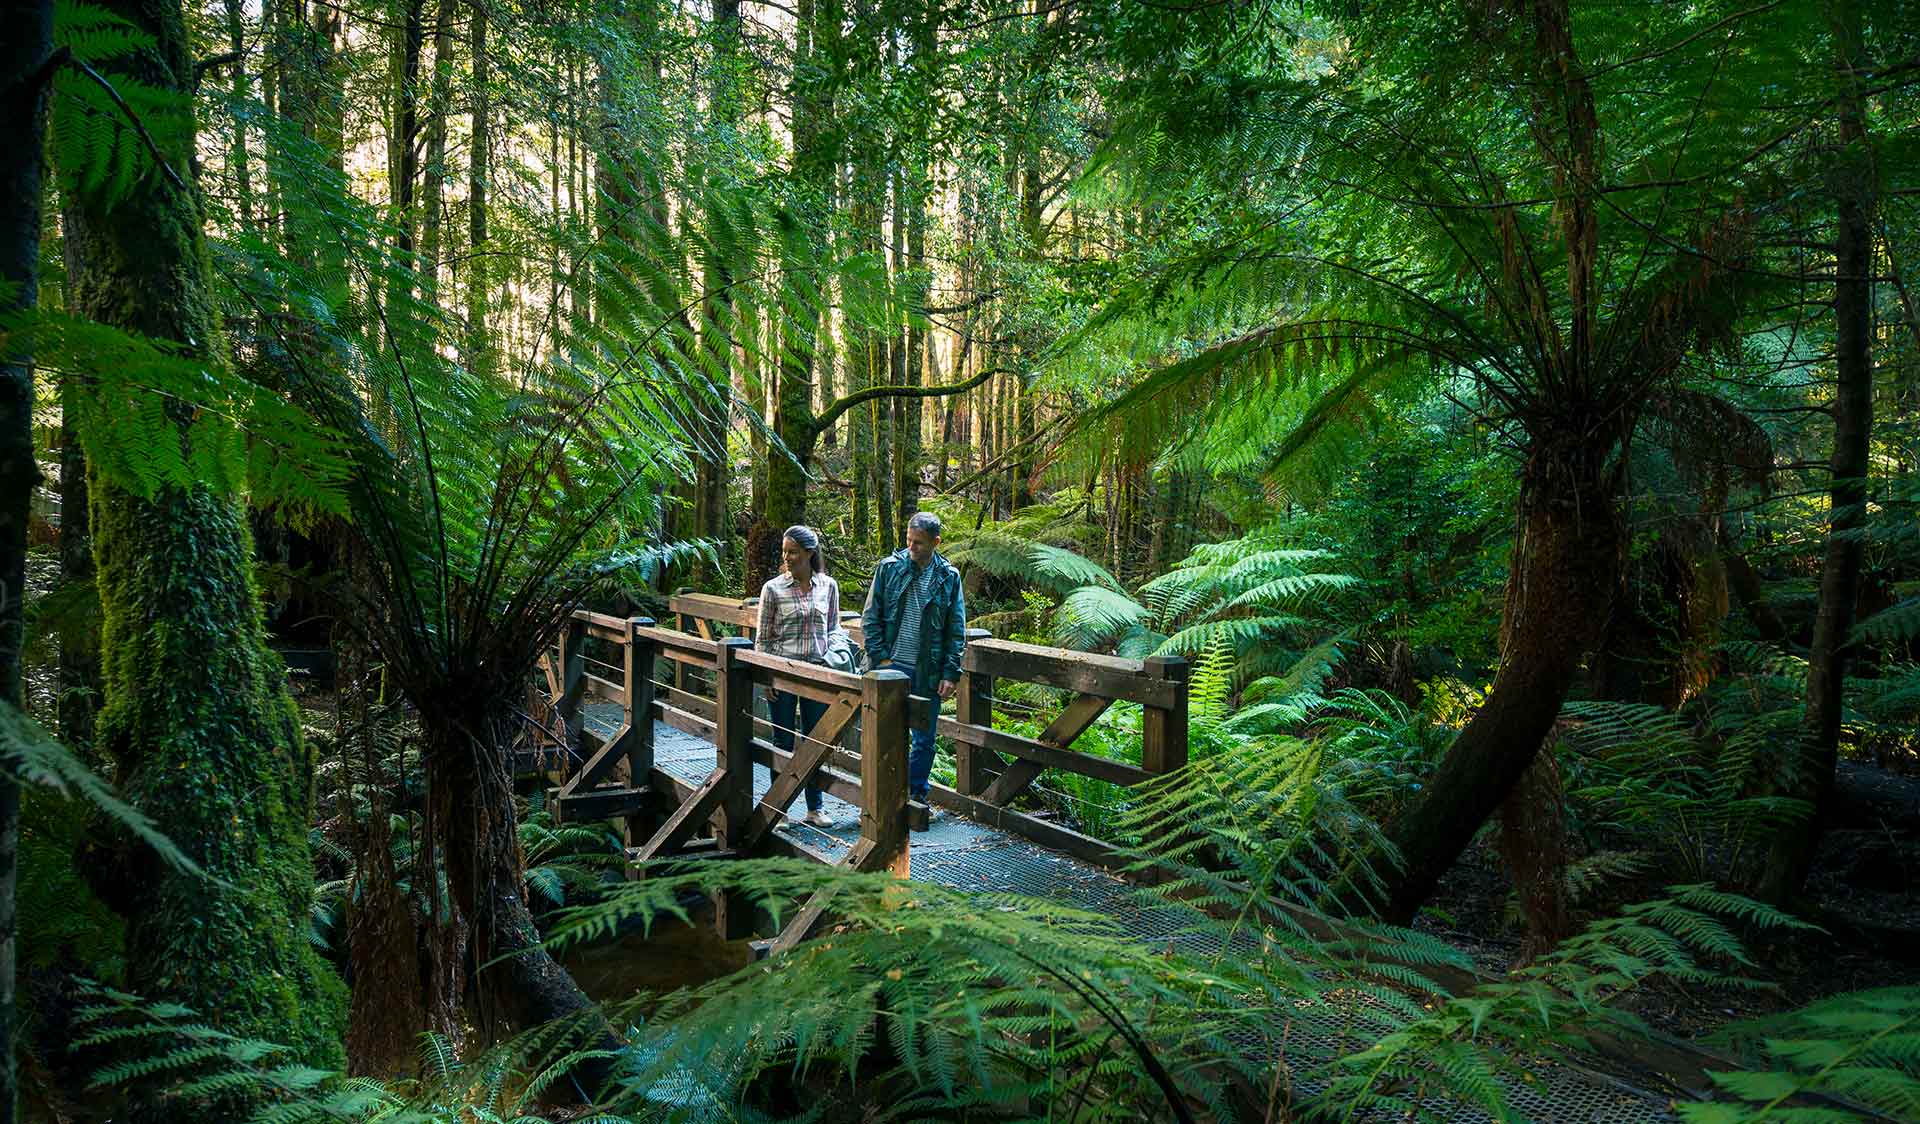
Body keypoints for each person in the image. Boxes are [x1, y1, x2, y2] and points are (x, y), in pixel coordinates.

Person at [861, 511, 967, 805]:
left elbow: (956, 628)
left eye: (919, 543)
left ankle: (914, 797)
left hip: (928, 671)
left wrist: (950, 672)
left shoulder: (949, 577)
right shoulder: (889, 568)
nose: (912, 548)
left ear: (936, 542)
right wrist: (881, 660)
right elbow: (870, 618)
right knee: (885, 736)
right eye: (909, 541)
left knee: (924, 740)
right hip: (890, 667)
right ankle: (882, 798)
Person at [756, 525, 840, 828]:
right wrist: (766, 677)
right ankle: (778, 810)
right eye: (784, 552)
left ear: (809, 553)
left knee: (814, 741)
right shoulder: (773, 589)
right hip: (783, 674)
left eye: (792, 552)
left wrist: (835, 664)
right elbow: (763, 639)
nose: (787, 557)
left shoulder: (828, 586)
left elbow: (834, 630)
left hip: (817, 674)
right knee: (782, 740)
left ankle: (815, 809)